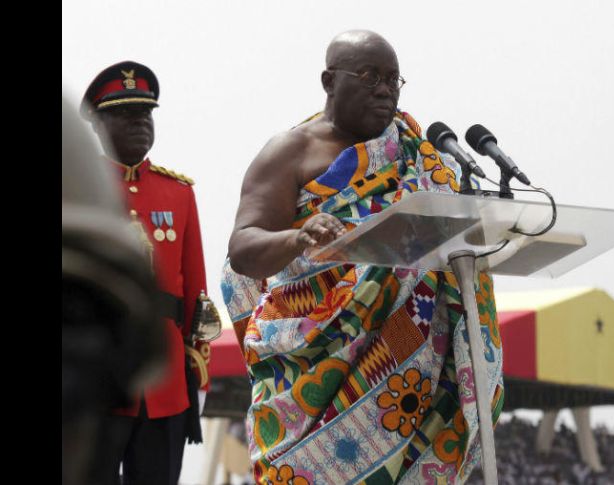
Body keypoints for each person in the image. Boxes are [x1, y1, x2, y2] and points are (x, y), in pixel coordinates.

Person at [223, 30, 504, 484]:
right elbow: (243, 247)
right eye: (370, 75)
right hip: (313, 356)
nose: (385, 89)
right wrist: (298, 238)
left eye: (394, 79)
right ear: (329, 81)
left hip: (414, 371)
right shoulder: (291, 151)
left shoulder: (416, 152)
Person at [80, 61, 213, 485]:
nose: (140, 122)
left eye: (146, 113)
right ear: (99, 124)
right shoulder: (79, 190)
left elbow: (196, 291)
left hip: (165, 381)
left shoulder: (179, 192)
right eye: (125, 113)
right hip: (95, 379)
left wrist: (195, 361)